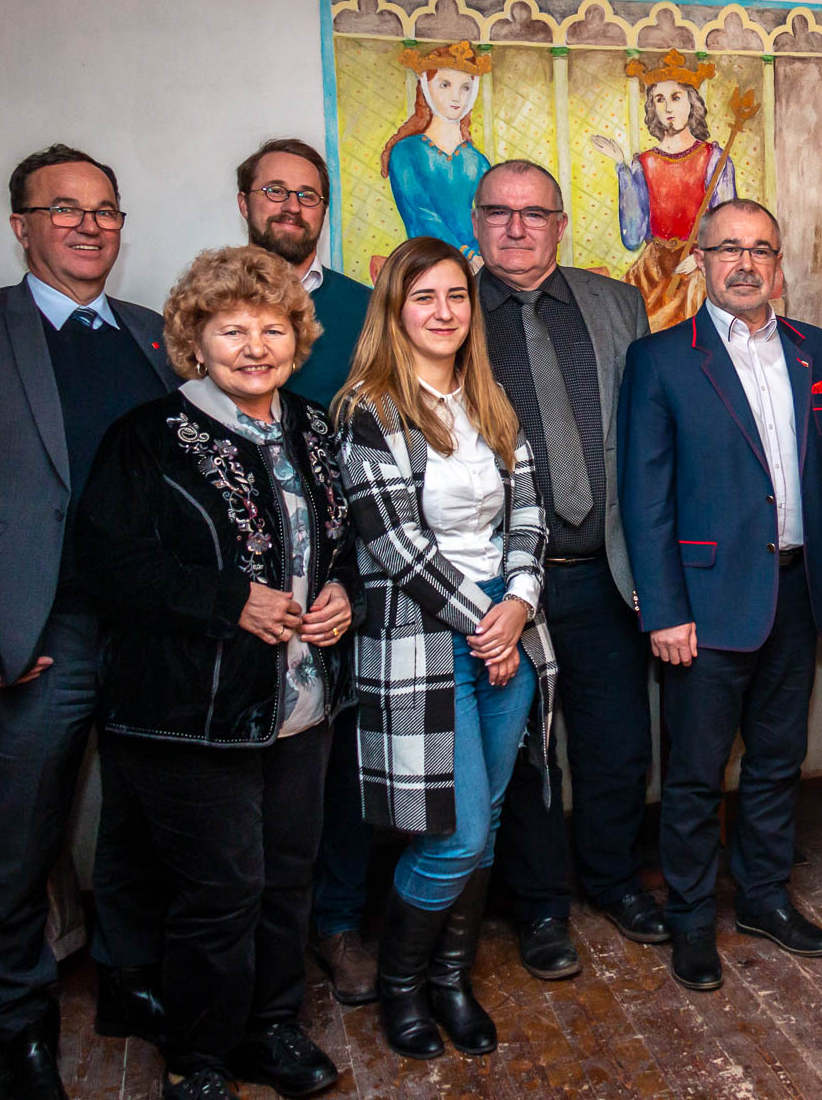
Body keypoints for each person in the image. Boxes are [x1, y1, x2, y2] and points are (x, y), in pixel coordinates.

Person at [0, 145, 176, 1099]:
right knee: (17, 838)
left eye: (104, 209)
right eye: (65, 208)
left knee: (142, 820)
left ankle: (129, 980)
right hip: (34, 629)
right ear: (20, 225)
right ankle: (15, 1023)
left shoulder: (152, 335)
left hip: (150, 632)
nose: (89, 225)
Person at [74, 245, 357, 1100]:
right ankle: (198, 1059)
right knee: (220, 893)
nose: (255, 347)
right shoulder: (146, 438)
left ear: (297, 338)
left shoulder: (314, 427)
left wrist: (343, 591)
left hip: (300, 705)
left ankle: (271, 1029)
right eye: (232, 330)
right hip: (191, 711)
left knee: (286, 879)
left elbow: (341, 540)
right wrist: (229, 600)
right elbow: (108, 567)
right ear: (194, 342)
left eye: (272, 328)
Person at [618, 198, 822, 991]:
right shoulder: (661, 359)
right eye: (729, 248)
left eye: (761, 249)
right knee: (693, 774)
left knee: (778, 761)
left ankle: (763, 898)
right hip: (704, 602)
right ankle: (691, 920)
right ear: (702, 260)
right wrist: (664, 609)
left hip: (797, 590)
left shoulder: (817, 350)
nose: (746, 263)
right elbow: (644, 498)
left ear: (778, 264)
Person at [337, 236, 557, 1058]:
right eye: (423, 297)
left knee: (486, 821)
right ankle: (401, 988)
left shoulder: (491, 402)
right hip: (424, 641)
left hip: (510, 628)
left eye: (456, 296)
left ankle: (451, 981)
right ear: (395, 311)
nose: (443, 311)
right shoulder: (367, 410)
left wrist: (518, 603)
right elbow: (394, 543)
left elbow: (528, 514)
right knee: (454, 835)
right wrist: (485, 620)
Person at [471, 160, 669, 978]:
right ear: (477, 223)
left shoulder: (618, 303)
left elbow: (651, 432)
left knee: (616, 743)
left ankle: (613, 879)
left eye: (534, 214)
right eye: (500, 213)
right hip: (500, 584)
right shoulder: (447, 308)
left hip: (603, 571)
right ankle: (539, 908)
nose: (517, 228)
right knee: (524, 753)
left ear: (560, 224)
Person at [233, 135, 380, 1005]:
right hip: (242, 589)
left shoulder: (363, 308)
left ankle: (338, 922)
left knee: (339, 768)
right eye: (274, 191)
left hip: (344, 572)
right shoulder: (211, 297)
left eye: (308, 195)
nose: (291, 207)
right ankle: (254, 944)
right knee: (244, 781)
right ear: (245, 203)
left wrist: (352, 581)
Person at [593, 48, 739, 328]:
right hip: (652, 269)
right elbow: (633, 237)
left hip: (696, 267)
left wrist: (702, 259)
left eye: (676, 97)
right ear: (652, 108)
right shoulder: (644, 163)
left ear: (692, 103)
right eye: (659, 99)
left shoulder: (714, 159)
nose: (668, 108)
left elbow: (729, 227)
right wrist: (623, 168)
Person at [382, 41, 493, 260]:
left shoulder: (478, 161)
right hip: (428, 260)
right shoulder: (406, 152)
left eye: (465, 87)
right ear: (426, 87)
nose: (456, 97)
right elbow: (420, 213)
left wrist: (483, 259)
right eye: (445, 85)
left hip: (479, 263)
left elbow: (489, 221)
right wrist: (467, 255)